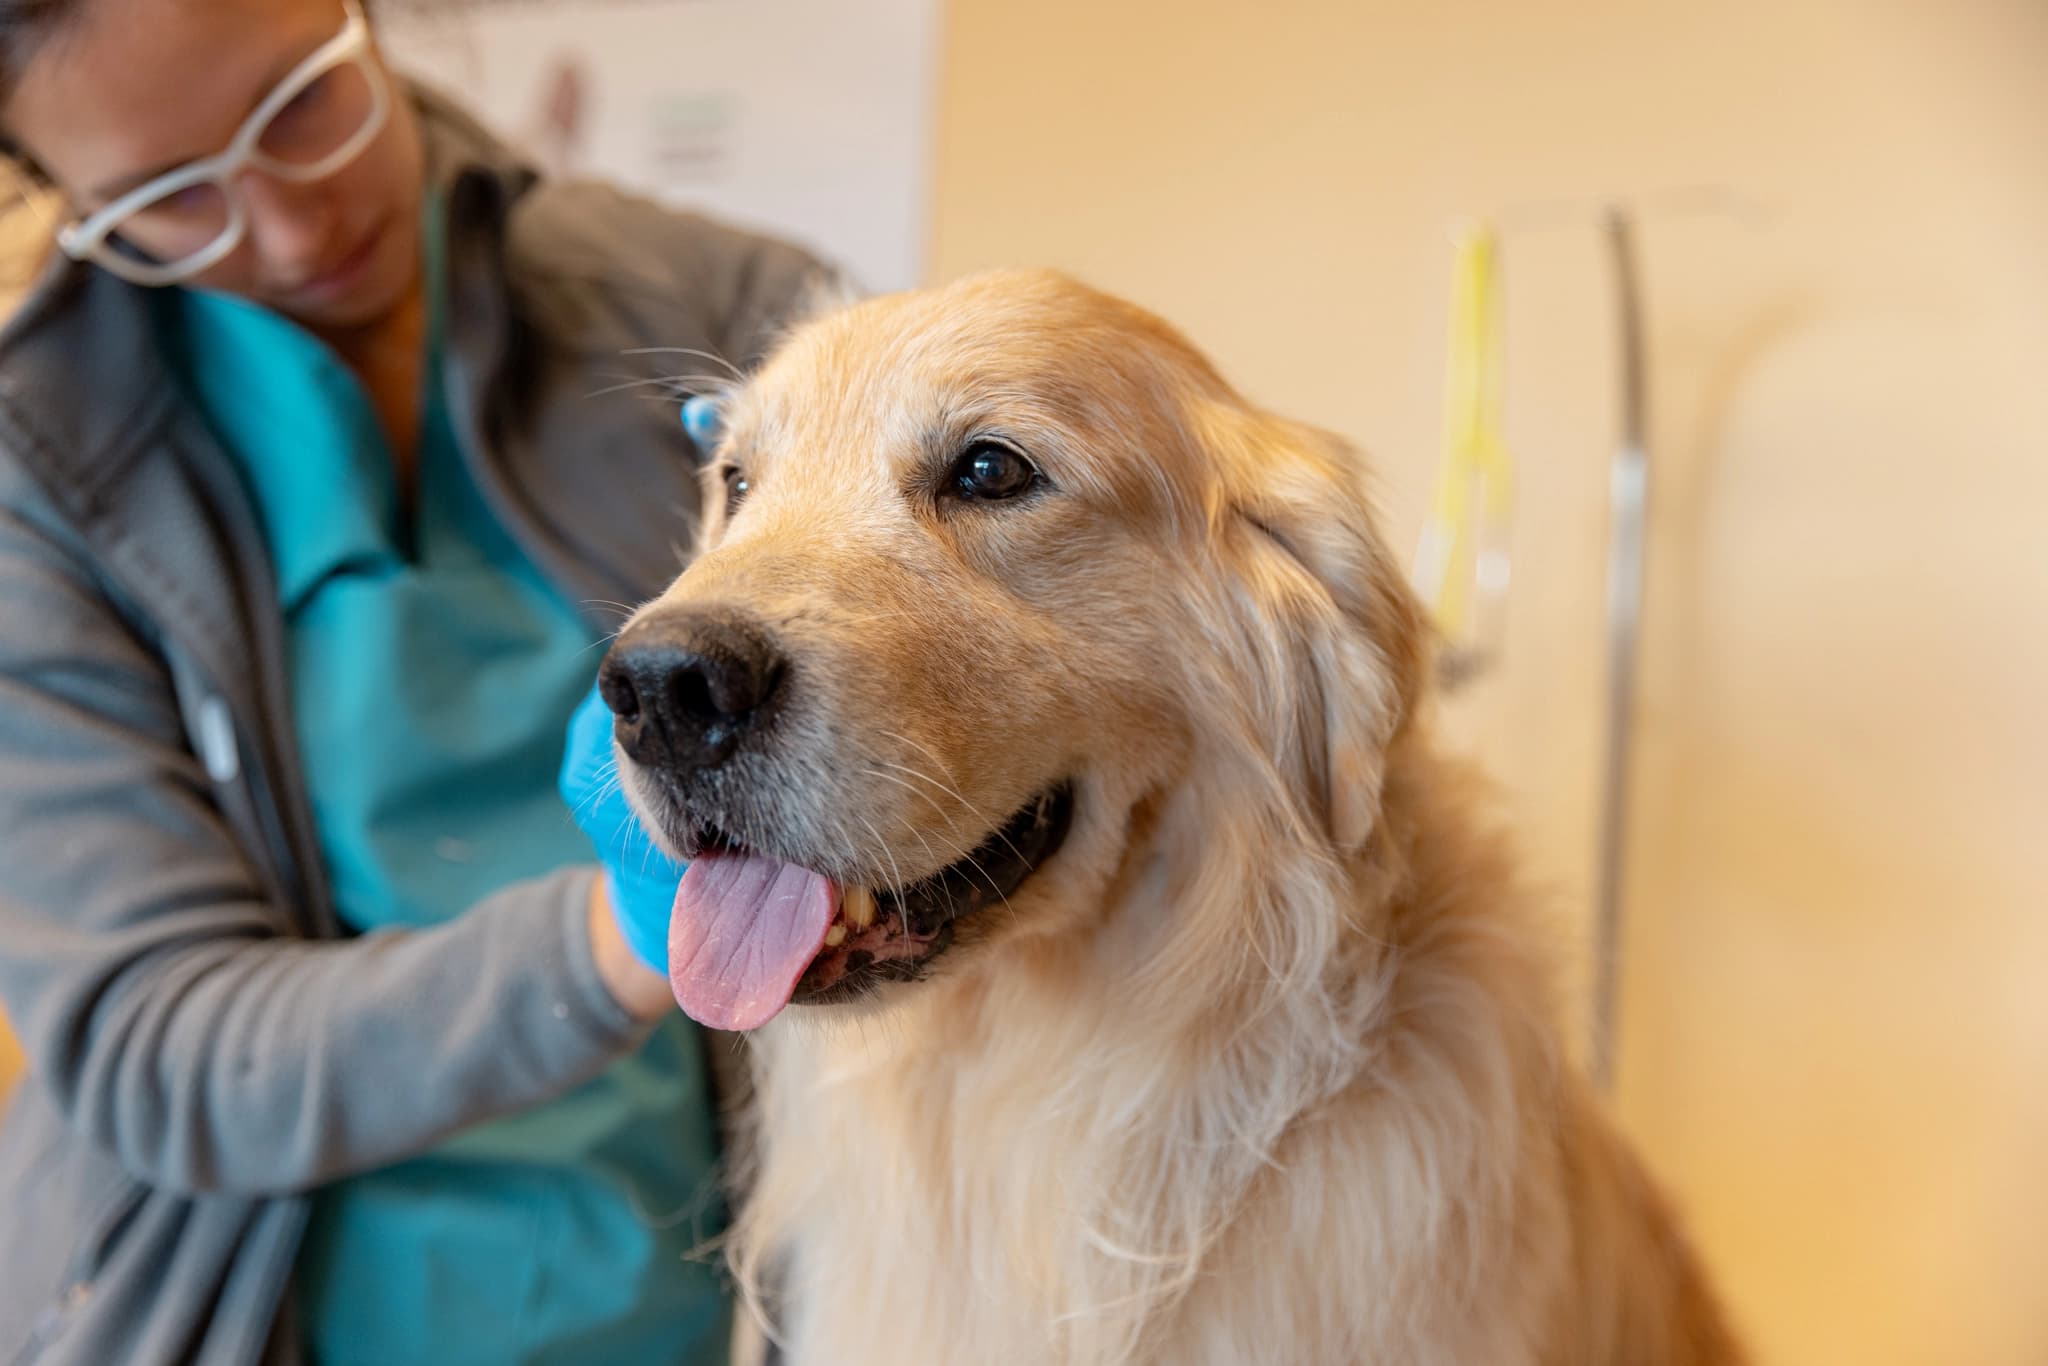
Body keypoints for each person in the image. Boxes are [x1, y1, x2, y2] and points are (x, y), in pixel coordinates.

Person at [0, 0, 832, 1361]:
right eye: (163, 200)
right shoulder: (37, 474)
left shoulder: (715, 315)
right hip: (253, 1309)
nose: (289, 232)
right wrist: (622, 937)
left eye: (302, 105)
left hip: (680, 1289)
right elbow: (158, 1050)